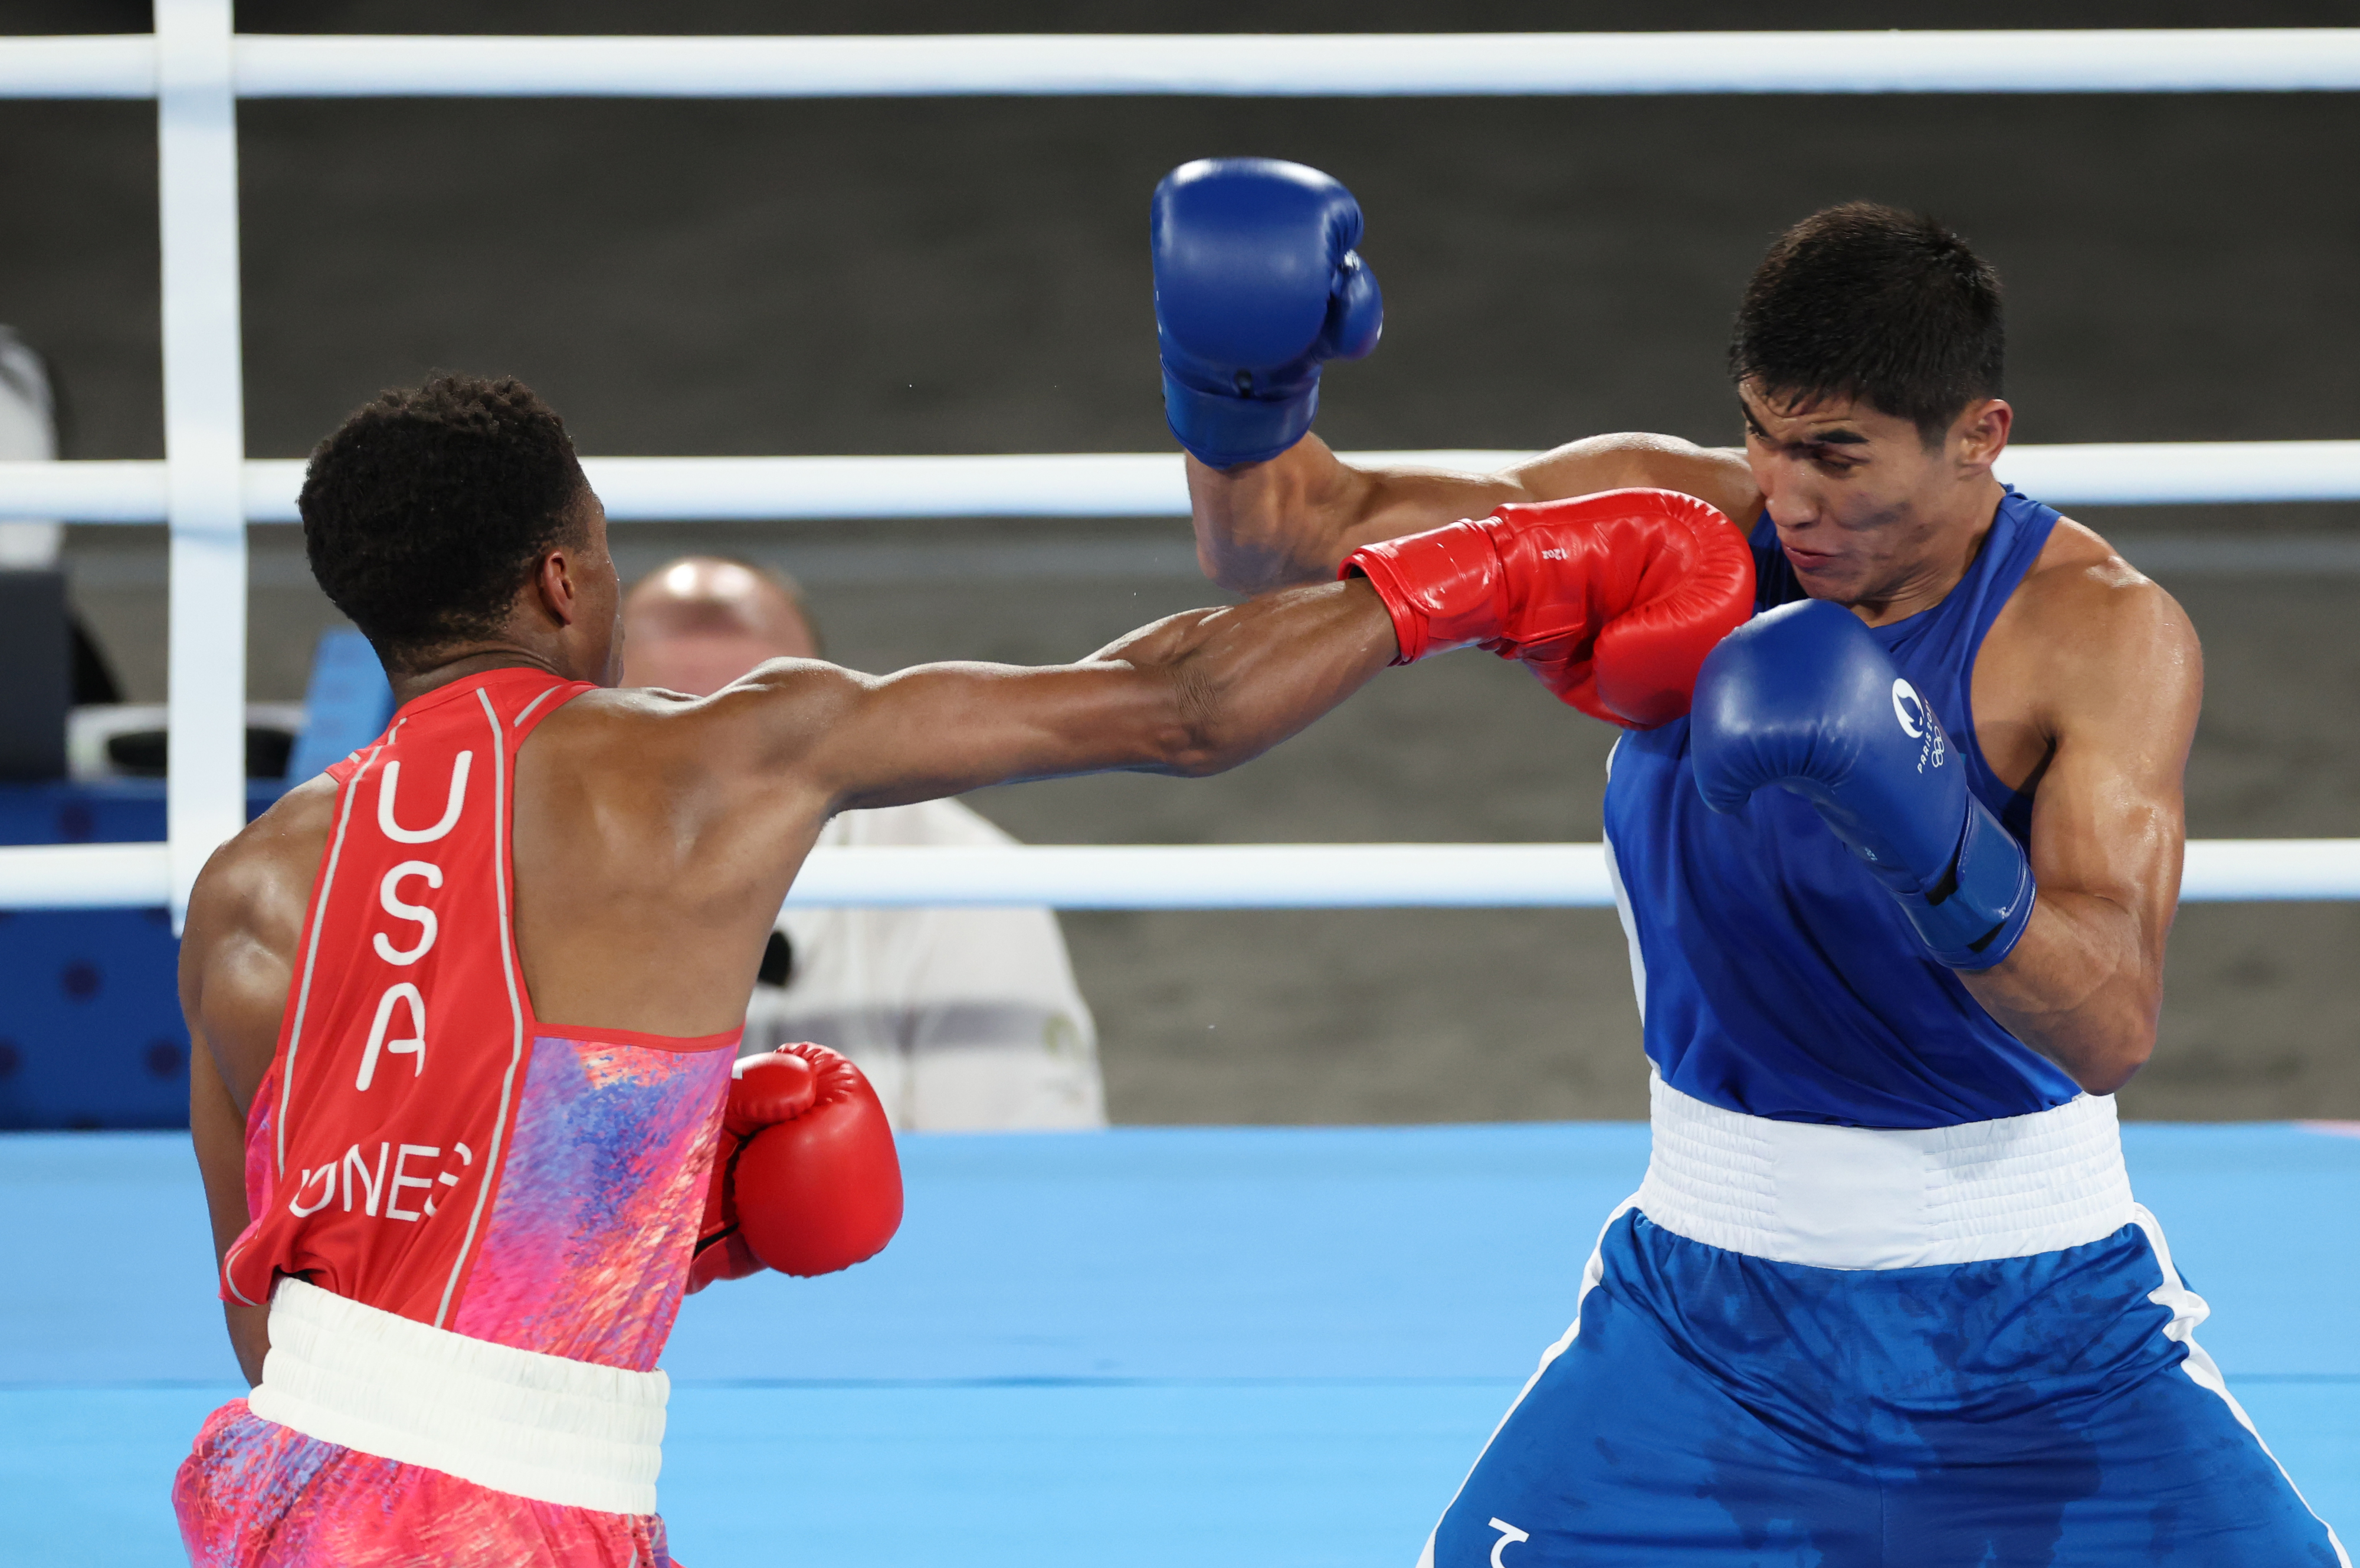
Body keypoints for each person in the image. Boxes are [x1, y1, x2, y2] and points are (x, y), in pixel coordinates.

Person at [171, 372, 1750, 1564]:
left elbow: (284, 1324)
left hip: (276, 1494)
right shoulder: (705, 760)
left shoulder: (243, 890)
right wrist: (1493, 568)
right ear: (567, 581)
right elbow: (1177, 705)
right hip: (510, 1525)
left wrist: (618, 1210)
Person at [1154, 160, 2348, 1564]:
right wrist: (1237, 383)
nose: (1785, 498)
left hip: (2047, 1327)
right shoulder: (1676, 524)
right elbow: (1279, 538)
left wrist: (1927, 829)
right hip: (1705, 1318)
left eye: (1836, 457)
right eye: (1761, 439)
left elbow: (2108, 1021)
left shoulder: (2097, 633)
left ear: (1979, 435)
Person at [620, 555, 1106, 1131]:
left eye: (753, 730)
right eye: (665, 728)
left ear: (827, 721)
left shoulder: (963, 880)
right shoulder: (519, 868)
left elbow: (1018, 1178)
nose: (714, 768)